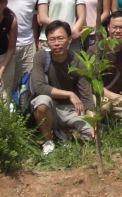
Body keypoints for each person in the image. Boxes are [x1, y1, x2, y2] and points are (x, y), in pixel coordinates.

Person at [31, 21, 96, 155]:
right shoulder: (41, 56)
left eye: (60, 38)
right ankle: (49, 142)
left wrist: (93, 122)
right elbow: (39, 87)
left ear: (70, 40)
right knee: (42, 101)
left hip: (72, 110)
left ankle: (63, 133)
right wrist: (69, 94)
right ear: (47, 42)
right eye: (52, 39)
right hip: (51, 108)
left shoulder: (78, 62)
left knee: (92, 135)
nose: (56, 43)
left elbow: (86, 97)